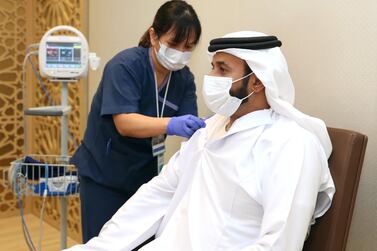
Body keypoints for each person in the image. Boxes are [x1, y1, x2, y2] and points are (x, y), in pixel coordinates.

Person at [66, 31, 335, 251]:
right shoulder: (209, 129)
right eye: (212, 67)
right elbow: (158, 193)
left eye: (222, 69)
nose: (211, 78)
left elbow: (280, 243)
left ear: (256, 82)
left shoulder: (291, 144)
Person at [71, 0, 205, 243]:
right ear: (154, 36)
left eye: (189, 47)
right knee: (104, 242)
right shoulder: (125, 66)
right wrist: (170, 124)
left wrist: (207, 129)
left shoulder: (184, 79)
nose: (181, 53)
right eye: (174, 43)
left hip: (144, 178)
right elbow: (125, 122)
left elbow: (190, 126)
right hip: (105, 176)